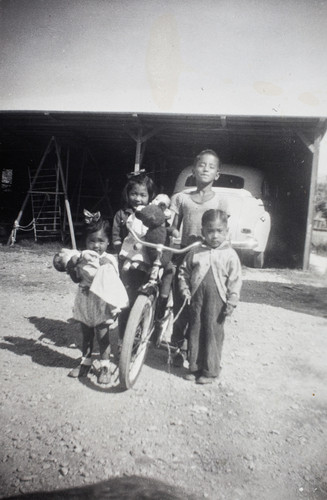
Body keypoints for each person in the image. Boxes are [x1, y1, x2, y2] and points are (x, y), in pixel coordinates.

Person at [169, 149, 230, 364]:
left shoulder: (221, 201)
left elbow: (222, 233)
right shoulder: (180, 198)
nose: (206, 169)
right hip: (184, 254)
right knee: (180, 302)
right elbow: (173, 228)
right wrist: (173, 233)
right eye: (202, 165)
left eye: (211, 167)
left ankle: (192, 349)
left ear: (217, 174)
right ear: (193, 170)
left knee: (200, 306)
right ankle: (176, 346)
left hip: (208, 258)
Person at [55, 210, 129, 384]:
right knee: (86, 335)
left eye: (101, 241)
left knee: (103, 336)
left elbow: (112, 282)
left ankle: (105, 365)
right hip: (84, 299)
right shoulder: (81, 257)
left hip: (101, 302)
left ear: (108, 241)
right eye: (92, 241)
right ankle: (85, 362)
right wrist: (72, 266)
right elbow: (76, 279)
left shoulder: (109, 259)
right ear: (86, 242)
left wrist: (103, 266)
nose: (96, 245)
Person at [178, 209, 242, 384]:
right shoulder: (196, 251)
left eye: (219, 231)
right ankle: (194, 367)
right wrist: (184, 287)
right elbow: (183, 271)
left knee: (213, 332)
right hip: (197, 298)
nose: (215, 236)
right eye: (210, 231)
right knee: (195, 330)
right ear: (203, 232)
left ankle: (211, 371)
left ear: (226, 231)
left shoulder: (230, 255)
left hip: (217, 300)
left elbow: (235, 279)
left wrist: (232, 300)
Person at [112, 171, 157, 339]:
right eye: (134, 194)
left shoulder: (152, 214)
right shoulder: (121, 215)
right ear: (127, 194)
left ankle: (141, 332)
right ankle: (124, 337)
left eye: (142, 195)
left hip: (145, 262)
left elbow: (158, 232)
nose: (138, 199)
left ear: (150, 196)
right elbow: (116, 236)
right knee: (126, 299)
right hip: (126, 263)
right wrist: (119, 247)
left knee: (144, 295)